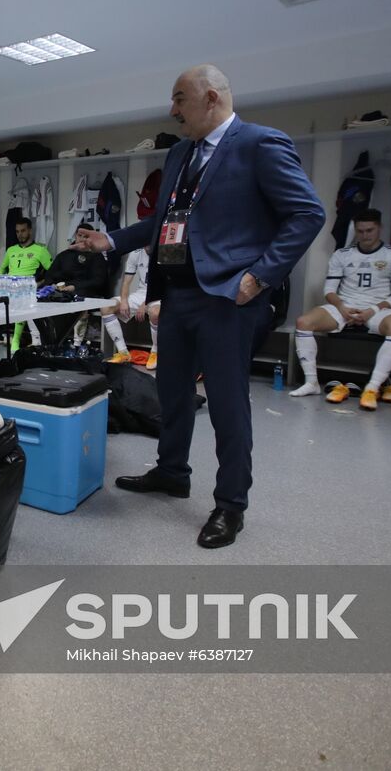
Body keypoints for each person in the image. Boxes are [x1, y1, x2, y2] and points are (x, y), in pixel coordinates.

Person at [73, 64, 323, 549]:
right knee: (173, 392)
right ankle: (172, 472)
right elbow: (163, 219)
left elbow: (307, 213)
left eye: (179, 98)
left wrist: (260, 275)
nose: (172, 109)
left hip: (229, 298)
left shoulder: (259, 143)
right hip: (177, 293)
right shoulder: (180, 153)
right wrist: (112, 241)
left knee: (228, 405)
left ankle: (231, 505)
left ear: (211, 98)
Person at [289, 209, 391, 409]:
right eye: (360, 231)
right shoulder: (342, 254)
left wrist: (372, 309)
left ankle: (371, 388)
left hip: (378, 308)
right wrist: (342, 307)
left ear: (379, 228)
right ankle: (311, 383)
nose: (364, 235)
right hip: (345, 306)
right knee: (304, 322)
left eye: (369, 230)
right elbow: (329, 290)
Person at [37, 223, 111, 346]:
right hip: (62, 291)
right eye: (79, 235)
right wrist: (54, 286)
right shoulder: (64, 255)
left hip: (86, 292)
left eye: (85, 236)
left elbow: (98, 281)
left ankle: (77, 344)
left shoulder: (96, 256)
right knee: (42, 295)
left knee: (78, 298)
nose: (81, 239)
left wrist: (75, 287)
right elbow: (49, 275)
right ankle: (47, 342)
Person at [0, 217, 52, 351]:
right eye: (17, 231)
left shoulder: (40, 250)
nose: (20, 234)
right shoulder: (11, 250)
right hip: (9, 286)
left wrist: (39, 283)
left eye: (23, 231)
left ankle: (15, 341)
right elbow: (1, 270)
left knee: (22, 299)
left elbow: (52, 272)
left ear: (30, 231)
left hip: (28, 288)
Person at [106, 247, 160, 369]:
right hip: (141, 293)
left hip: (159, 295)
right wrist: (124, 300)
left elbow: (166, 285)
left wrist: (146, 303)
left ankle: (156, 352)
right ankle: (123, 353)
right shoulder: (135, 253)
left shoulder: (164, 251)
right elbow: (126, 282)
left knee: (155, 312)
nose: (147, 245)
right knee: (107, 306)